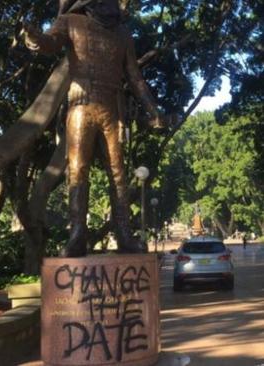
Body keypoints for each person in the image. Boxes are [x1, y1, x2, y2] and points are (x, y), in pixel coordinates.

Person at [23, 0, 166, 257]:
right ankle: (77, 234)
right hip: (81, 104)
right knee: (77, 169)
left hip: (112, 108)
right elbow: (50, 42)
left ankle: (124, 235)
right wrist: (34, 37)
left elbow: (134, 76)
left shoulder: (122, 34)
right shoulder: (71, 21)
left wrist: (153, 110)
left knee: (119, 172)